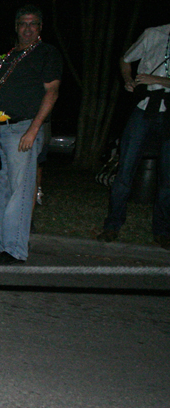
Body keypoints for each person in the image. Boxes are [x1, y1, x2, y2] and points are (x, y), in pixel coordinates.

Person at [0, 5, 61, 264]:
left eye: (33, 23)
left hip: (23, 129)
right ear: (16, 26)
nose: (27, 28)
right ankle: (1, 244)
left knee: (20, 192)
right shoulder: (11, 55)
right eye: (23, 23)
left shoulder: (47, 53)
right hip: (0, 127)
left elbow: (52, 92)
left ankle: (16, 250)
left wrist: (34, 129)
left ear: (40, 28)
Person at [97, 24, 170, 249]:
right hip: (143, 107)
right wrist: (128, 79)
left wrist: (156, 80)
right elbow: (126, 59)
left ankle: (162, 231)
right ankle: (112, 226)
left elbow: (153, 78)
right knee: (125, 169)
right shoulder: (153, 34)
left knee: (167, 177)